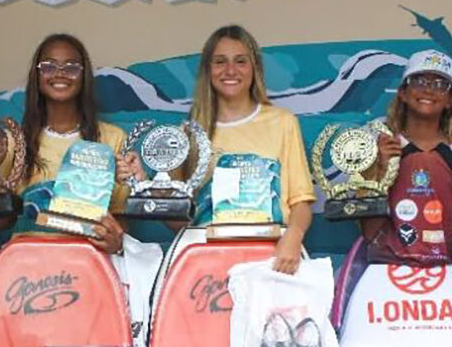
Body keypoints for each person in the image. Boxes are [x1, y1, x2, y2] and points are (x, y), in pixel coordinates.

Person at [117, 24, 314, 273]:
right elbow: (182, 223)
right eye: (220, 62)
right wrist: (145, 185)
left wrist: (293, 238)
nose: (230, 70)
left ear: (255, 68)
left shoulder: (283, 122)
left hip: (271, 258)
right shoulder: (189, 133)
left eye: (240, 61)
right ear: (207, 71)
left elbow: (301, 202)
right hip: (206, 264)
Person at [366, 49, 452, 313]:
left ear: (450, 99)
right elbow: (367, 229)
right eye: (419, 81)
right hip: (385, 275)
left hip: (449, 276)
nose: (429, 90)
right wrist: (379, 170)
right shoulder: (379, 148)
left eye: (440, 84)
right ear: (403, 93)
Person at [0, 33, 125, 253]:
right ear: (37, 75)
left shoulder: (112, 139)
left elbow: (120, 218)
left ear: (84, 76)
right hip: (25, 264)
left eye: (71, 67)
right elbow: (5, 219)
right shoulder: (13, 142)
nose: (60, 74)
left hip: (87, 264)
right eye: (49, 66)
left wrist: (116, 244)